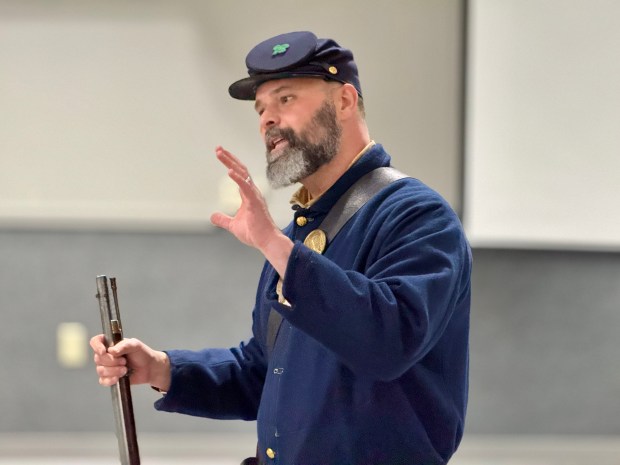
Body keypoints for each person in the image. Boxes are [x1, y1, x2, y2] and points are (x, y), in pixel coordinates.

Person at [91, 31, 472, 465]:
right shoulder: (294, 235)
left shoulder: (417, 215)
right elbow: (264, 371)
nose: (266, 120)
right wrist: (163, 368)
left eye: (286, 99)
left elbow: (387, 342)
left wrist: (275, 246)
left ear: (344, 102)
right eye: (261, 109)